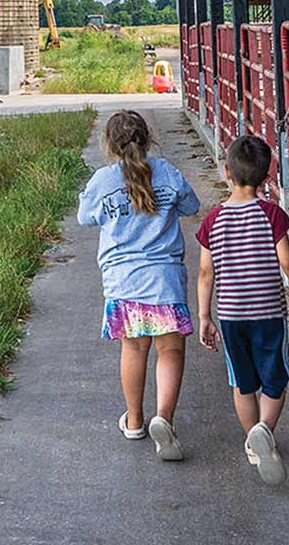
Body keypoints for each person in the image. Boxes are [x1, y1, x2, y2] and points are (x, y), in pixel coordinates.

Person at [196, 133, 289, 486]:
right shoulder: (272, 215)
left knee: (242, 382)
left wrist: (205, 316)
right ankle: (265, 430)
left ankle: (253, 440)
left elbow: (206, 273)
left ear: (226, 172)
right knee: (275, 378)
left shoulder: (213, 221)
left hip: (231, 316)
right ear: (267, 178)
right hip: (269, 314)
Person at [77, 110, 200, 460]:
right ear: (147, 139)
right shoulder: (166, 172)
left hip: (123, 284)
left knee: (133, 351)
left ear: (110, 146)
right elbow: (192, 205)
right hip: (164, 282)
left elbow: (86, 218)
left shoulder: (102, 180)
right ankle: (165, 418)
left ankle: (134, 420)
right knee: (170, 352)